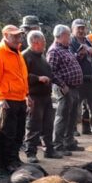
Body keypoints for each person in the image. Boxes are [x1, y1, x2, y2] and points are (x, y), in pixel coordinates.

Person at [0, 24, 30, 171]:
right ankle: (8, 163)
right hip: (8, 99)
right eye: (15, 36)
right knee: (8, 133)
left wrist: (26, 95)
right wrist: (0, 98)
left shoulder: (17, 52)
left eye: (19, 35)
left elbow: (22, 77)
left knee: (19, 132)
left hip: (20, 98)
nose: (18, 38)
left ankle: (15, 158)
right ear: (5, 36)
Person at [22, 30, 60, 161]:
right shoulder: (25, 56)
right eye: (43, 42)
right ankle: (31, 153)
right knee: (33, 125)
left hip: (46, 96)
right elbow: (21, 77)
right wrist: (38, 78)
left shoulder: (42, 57)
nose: (45, 44)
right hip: (34, 96)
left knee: (48, 124)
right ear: (35, 42)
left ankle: (49, 149)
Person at [47, 24, 84, 157]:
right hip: (64, 88)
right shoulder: (54, 51)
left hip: (73, 88)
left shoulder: (65, 49)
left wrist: (78, 56)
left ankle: (69, 141)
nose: (70, 38)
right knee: (62, 116)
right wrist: (62, 84)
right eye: (68, 35)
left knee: (72, 116)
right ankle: (58, 144)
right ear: (61, 36)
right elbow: (50, 71)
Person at [70, 18, 92, 142]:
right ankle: (72, 130)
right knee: (75, 107)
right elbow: (69, 60)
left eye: (83, 28)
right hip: (77, 81)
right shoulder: (70, 43)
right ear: (72, 30)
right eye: (78, 28)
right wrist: (81, 53)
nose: (81, 30)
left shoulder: (88, 41)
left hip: (91, 80)